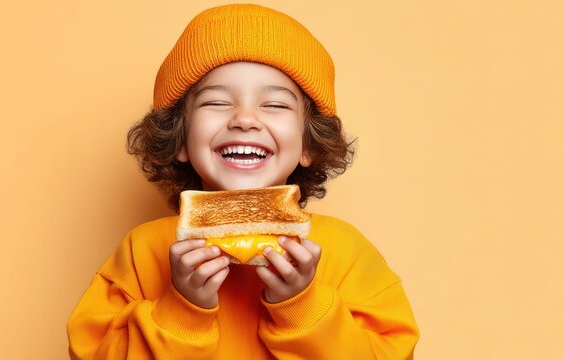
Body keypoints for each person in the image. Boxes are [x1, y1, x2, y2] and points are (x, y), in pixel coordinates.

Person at [67, 4, 419, 359]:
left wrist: (302, 307)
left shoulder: (346, 251)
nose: (245, 119)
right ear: (180, 138)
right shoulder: (141, 251)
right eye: (217, 102)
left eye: (276, 105)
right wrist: (181, 310)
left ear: (309, 144)